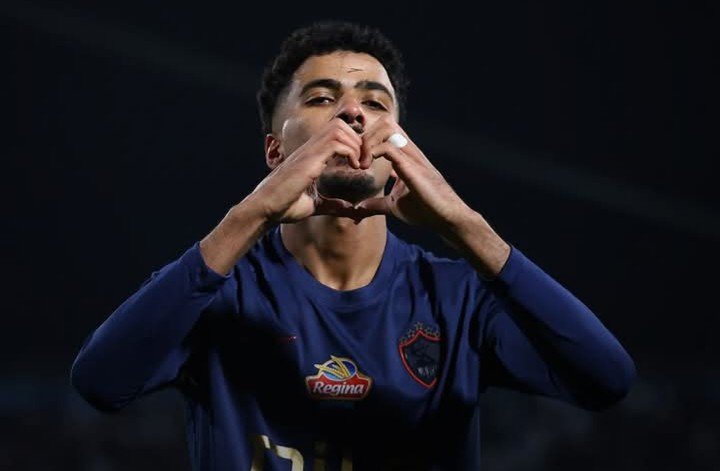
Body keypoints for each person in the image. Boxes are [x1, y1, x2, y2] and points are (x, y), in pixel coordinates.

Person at [70, 20, 636, 470]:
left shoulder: (457, 296)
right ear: (275, 152)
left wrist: (465, 226)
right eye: (321, 98)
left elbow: (607, 380)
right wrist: (251, 215)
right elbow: (100, 382)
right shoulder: (219, 286)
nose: (353, 112)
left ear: (400, 146)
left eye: (376, 102)